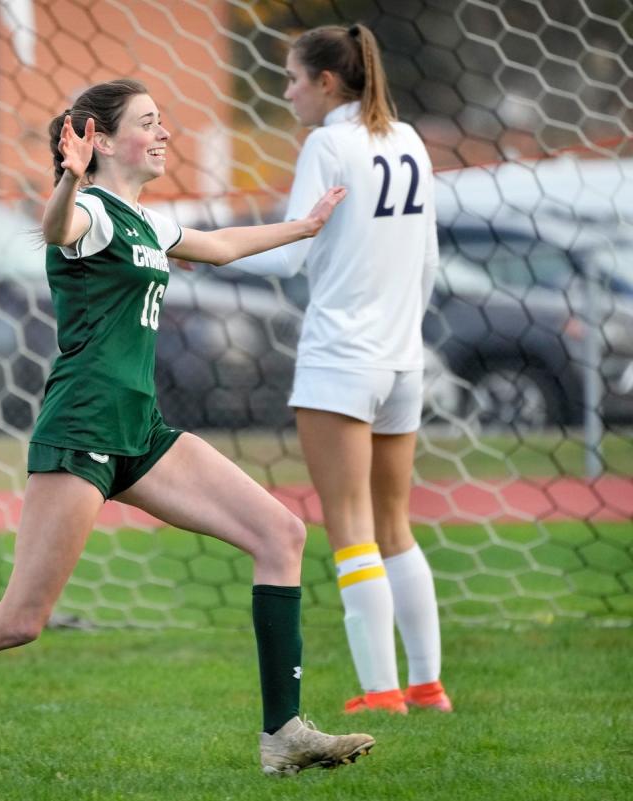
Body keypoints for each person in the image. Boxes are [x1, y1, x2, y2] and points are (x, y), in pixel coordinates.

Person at [0, 78, 375, 779]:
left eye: (163, 119)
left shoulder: (143, 218)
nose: (164, 131)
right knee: (19, 618)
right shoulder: (93, 215)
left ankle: (284, 731)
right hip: (82, 426)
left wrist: (304, 226)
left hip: (139, 430)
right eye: (148, 121)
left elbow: (223, 246)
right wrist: (70, 183)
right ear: (103, 141)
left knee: (280, 533)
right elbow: (59, 229)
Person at [225, 24, 451, 715]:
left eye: (293, 78)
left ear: (327, 81)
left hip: (341, 359)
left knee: (350, 525)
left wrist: (197, 247)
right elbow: (430, 261)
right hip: (401, 361)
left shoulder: (327, 143)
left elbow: (291, 249)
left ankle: (382, 692)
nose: (286, 91)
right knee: (395, 525)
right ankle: (428, 685)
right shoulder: (408, 139)